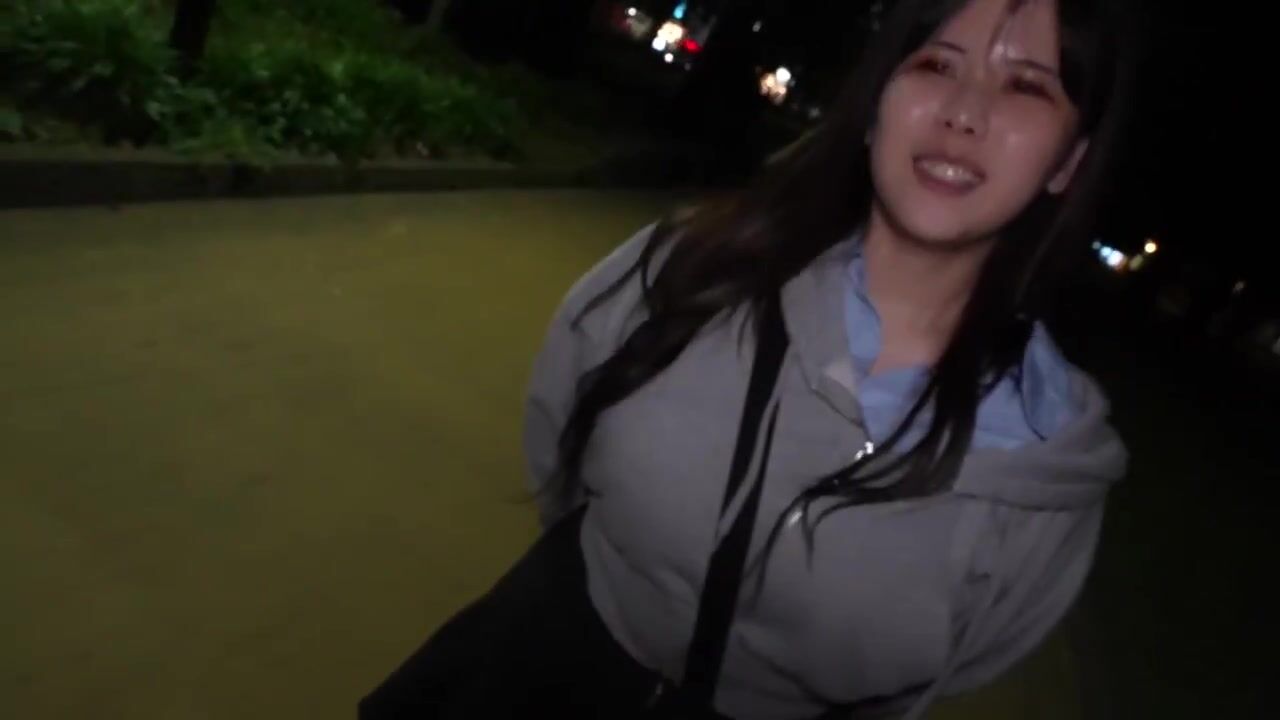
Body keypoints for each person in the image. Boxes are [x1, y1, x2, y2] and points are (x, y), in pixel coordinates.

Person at [359, 0, 1135, 717]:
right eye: (936, 64)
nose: (964, 112)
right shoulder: (697, 271)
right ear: (875, 106)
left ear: (1067, 163)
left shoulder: (1048, 462)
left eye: (1026, 86)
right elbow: (559, 436)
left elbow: (957, 664)